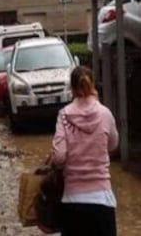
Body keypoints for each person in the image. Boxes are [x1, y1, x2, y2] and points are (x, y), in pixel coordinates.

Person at [51, 66, 119, 236]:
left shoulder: (64, 115)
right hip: (103, 201)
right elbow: (113, 145)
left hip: (73, 202)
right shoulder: (105, 114)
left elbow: (59, 157)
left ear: (71, 89)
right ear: (93, 85)